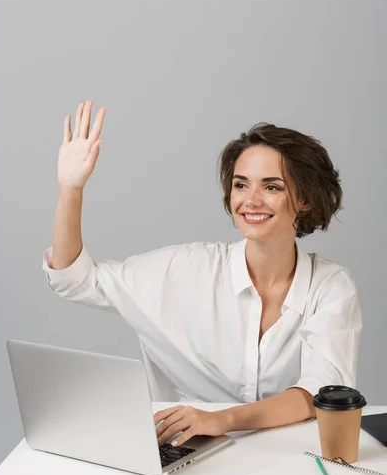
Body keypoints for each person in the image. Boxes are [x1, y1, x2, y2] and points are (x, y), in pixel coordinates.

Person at [42, 100, 362, 448]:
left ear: (305, 200)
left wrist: (220, 419)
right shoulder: (185, 270)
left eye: (272, 187)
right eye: (241, 185)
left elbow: (321, 391)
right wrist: (70, 191)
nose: (251, 200)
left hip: (288, 457)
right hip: (187, 452)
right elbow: (75, 280)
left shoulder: (330, 286)